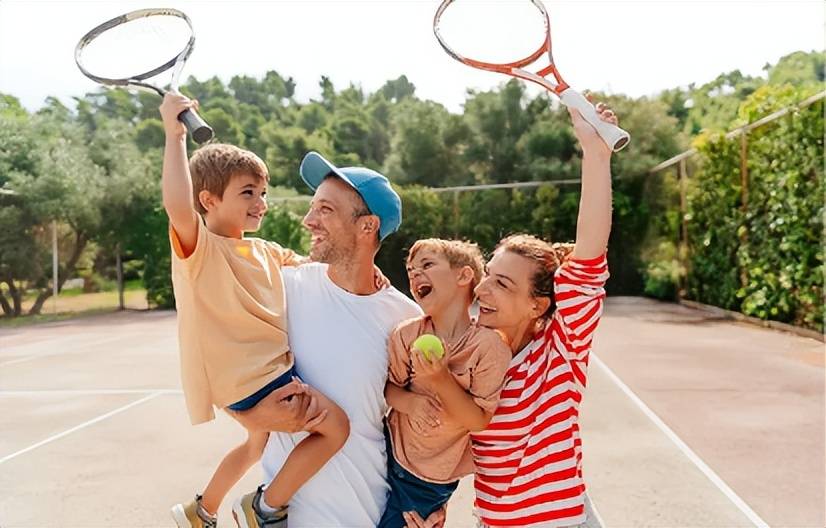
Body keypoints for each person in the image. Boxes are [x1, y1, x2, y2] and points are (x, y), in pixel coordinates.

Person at [407, 102, 617, 528]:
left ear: (537, 306)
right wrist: (436, 505)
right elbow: (464, 446)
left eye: (504, 284)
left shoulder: (559, 352)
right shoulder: (472, 358)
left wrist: (595, 155)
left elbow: (589, 255)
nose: (483, 289)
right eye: (489, 277)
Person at [159, 94, 349, 528]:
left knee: (254, 446)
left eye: (262, 192)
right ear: (207, 201)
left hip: (263, 378)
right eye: (248, 193)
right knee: (336, 427)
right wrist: (174, 136)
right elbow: (175, 204)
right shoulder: (200, 250)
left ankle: (201, 510)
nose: (260, 201)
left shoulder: (264, 250)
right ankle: (264, 507)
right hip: (257, 383)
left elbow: (320, 266)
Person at [259, 151, 425, 527]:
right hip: (282, 515)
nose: (308, 220)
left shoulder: (406, 318)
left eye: (325, 210)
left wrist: (429, 500)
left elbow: (422, 426)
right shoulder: (284, 287)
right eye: (312, 207)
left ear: (367, 226)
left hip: (367, 511)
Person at [379, 239, 511, 527]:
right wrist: (410, 402)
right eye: (411, 270)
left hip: (428, 482)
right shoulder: (406, 335)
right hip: (385, 455)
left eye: (427, 265)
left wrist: (441, 379)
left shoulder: (487, 347)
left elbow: (477, 420)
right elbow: (389, 390)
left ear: (463, 276)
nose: (414, 274)